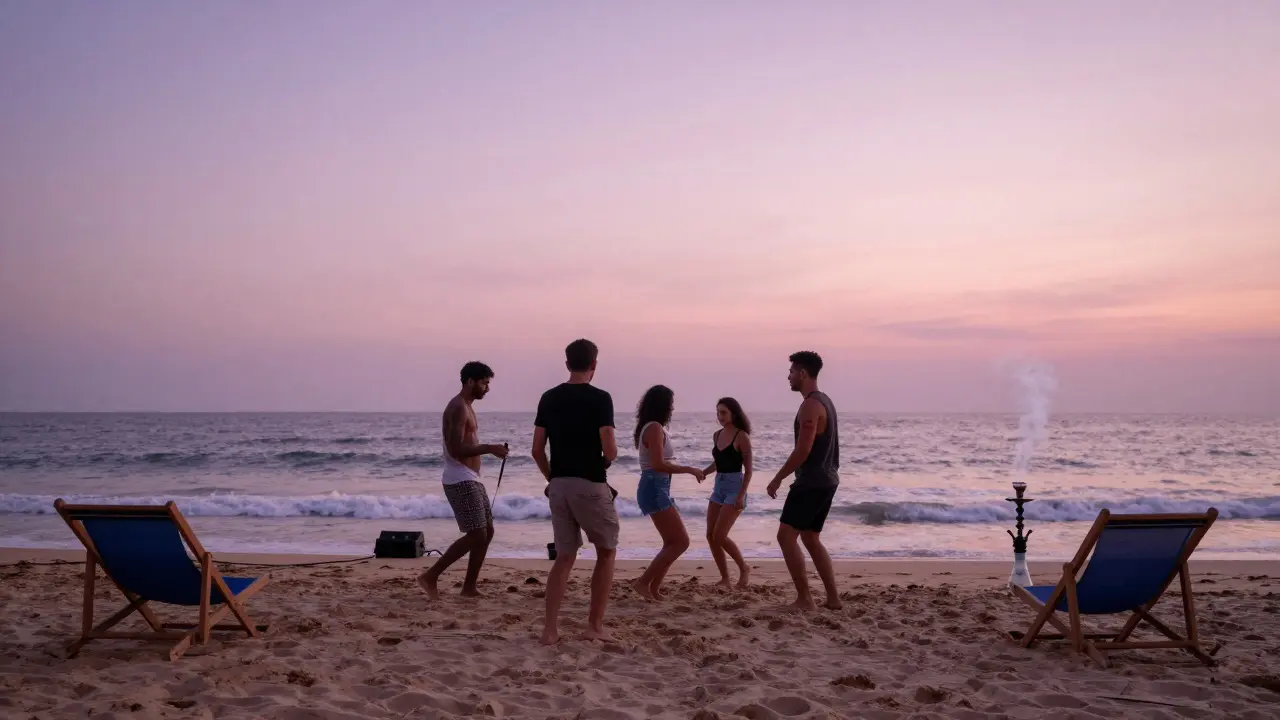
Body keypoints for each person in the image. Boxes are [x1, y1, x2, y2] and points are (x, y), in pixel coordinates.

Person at [532, 339, 619, 644]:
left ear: (567, 364)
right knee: (606, 550)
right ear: (594, 364)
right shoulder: (601, 399)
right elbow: (610, 449)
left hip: (559, 485)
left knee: (564, 556)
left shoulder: (548, 397)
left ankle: (550, 630)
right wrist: (607, 458)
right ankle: (594, 626)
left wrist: (552, 477)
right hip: (590, 482)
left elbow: (537, 450)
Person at [417, 361, 509, 600]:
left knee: (487, 532)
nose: (487, 388)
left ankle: (469, 588)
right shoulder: (458, 407)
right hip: (459, 478)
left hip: (471, 478)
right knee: (477, 533)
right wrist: (489, 448)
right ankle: (430, 576)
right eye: (484, 383)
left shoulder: (467, 406)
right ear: (470, 381)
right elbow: (456, 448)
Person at [765, 351, 842, 611]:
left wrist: (777, 478)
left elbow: (803, 450)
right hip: (828, 479)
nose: (788, 377)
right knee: (810, 538)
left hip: (812, 481)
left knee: (786, 537)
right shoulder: (825, 401)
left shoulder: (811, 405)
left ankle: (805, 600)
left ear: (802, 373)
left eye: (791, 372)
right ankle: (833, 599)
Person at [629, 385, 705, 601]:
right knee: (681, 542)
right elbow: (658, 464)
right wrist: (689, 469)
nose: (672, 408)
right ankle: (643, 583)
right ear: (662, 405)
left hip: (658, 487)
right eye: (670, 404)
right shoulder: (653, 428)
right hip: (654, 487)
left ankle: (654, 588)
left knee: (671, 542)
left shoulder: (653, 427)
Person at [701, 397, 753, 588]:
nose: (720, 416)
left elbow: (749, 470)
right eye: (718, 412)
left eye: (723, 412)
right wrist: (704, 473)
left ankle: (744, 568)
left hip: (735, 487)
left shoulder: (742, 436)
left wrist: (741, 495)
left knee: (720, 535)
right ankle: (725, 578)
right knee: (710, 535)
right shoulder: (717, 435)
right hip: (718, 487)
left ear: (733, 413)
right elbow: (718, 462)